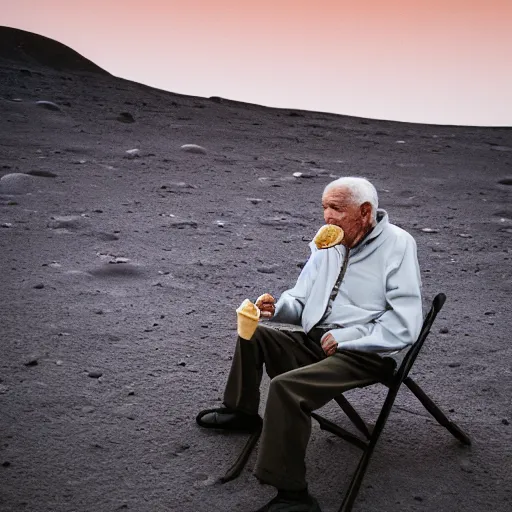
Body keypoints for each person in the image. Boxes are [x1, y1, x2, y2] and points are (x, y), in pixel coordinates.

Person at [196, 176, 423, 512]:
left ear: (364, 212)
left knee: (287, 388)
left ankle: (294, 495)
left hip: (364, 354)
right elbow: (301, 299)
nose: (327, 217)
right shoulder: (326, 244)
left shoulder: (398, 246)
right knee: (253, 332)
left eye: (336, 209)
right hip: (315, 340)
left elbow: (405, 324)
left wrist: (347, 338)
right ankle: (242, 412)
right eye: (324, 208)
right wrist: (276, 309)